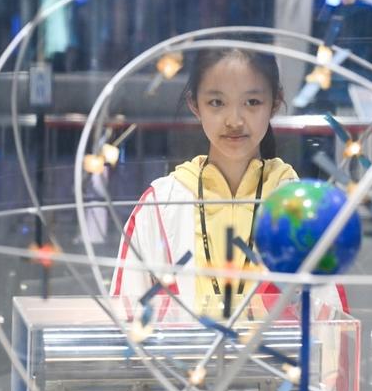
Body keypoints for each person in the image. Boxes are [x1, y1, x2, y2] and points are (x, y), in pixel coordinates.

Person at [110, 47, 348, 313]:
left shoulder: (301, 208)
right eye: (217, 102)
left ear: (275, 103)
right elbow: (126, 316)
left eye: (252, 102)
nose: (234, 121)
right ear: (195, 105)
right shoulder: (161, 205)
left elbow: (330, 324)